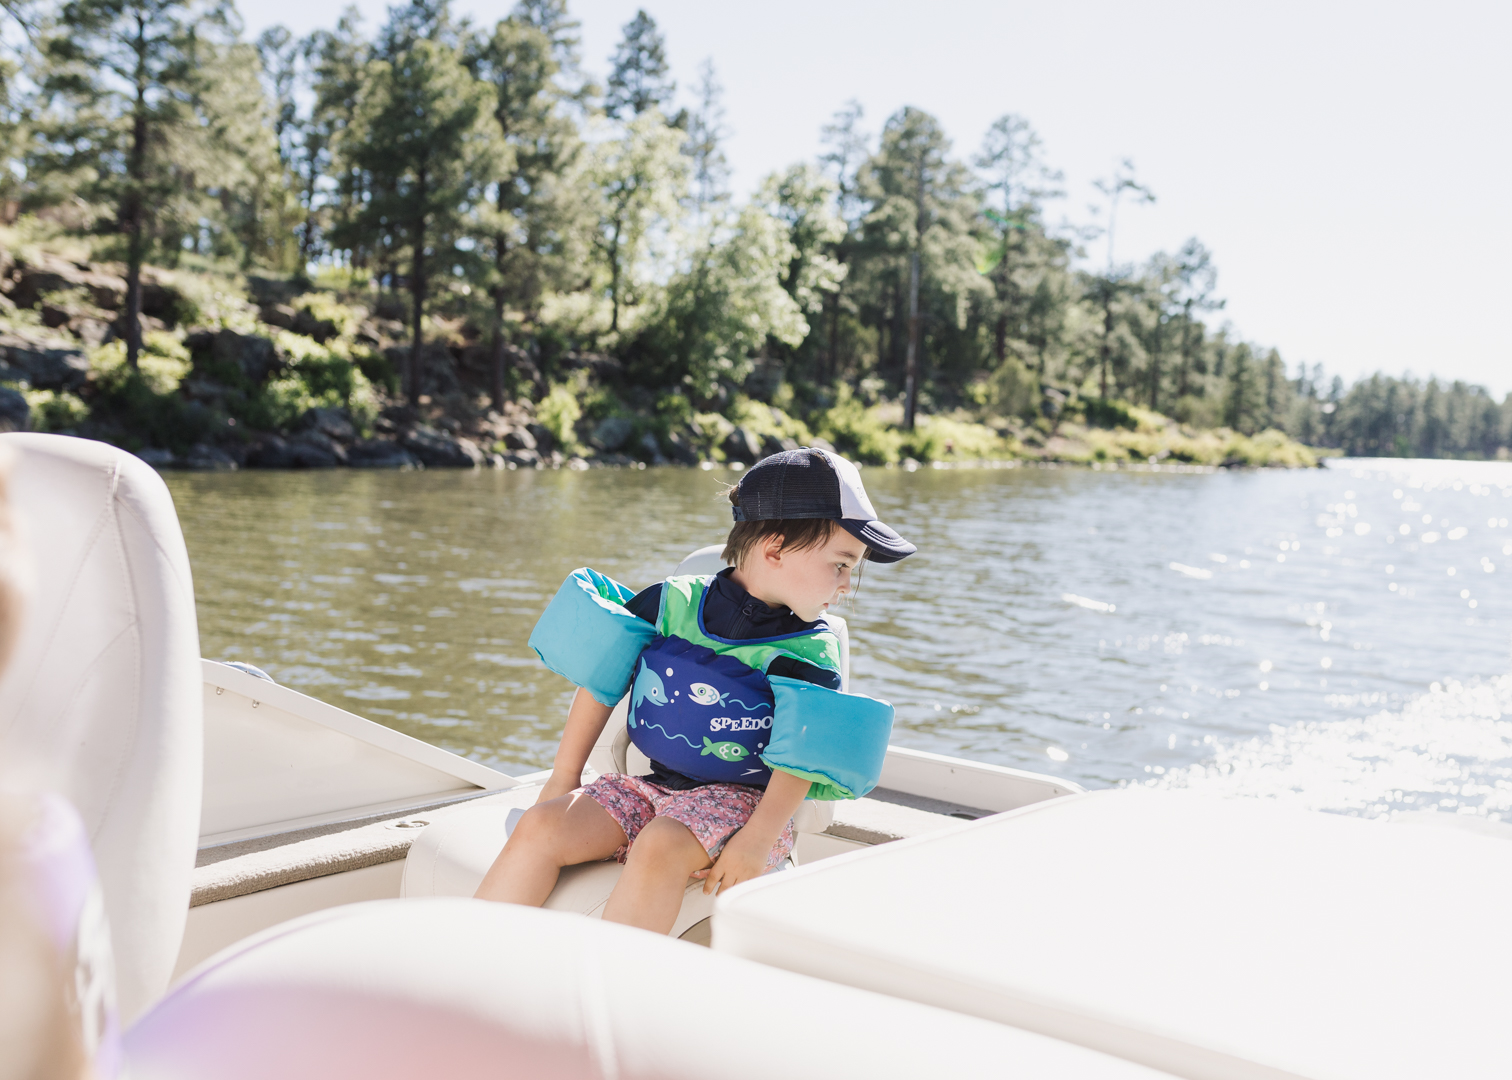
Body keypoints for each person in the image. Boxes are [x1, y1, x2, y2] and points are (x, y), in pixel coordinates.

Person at [475, 447, 915, 933]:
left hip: (746, 808)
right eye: (841, 564)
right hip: (654, 787)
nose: (848, 584)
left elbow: (801, 757)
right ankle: (475, 960)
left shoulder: (809, 651)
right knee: (540, 827)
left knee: (660, 843)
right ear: (774, 550)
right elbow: (600, 684)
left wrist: (757, 839)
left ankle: (604, 992)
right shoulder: (670, 604)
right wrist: (563, 778)